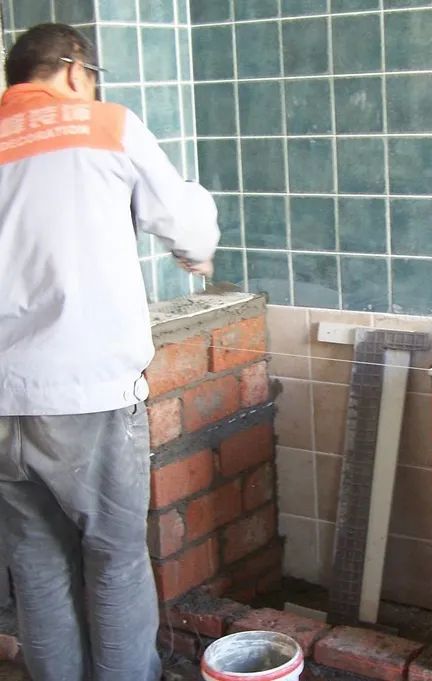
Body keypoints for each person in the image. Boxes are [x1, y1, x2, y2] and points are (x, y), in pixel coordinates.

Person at [0, 24, 219, 681]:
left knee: (35, 565)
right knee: (115, 558)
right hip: (86, 392)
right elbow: (184, 222)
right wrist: (197, 252)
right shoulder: (106, 125)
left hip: (2, 400)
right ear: (75, 71)